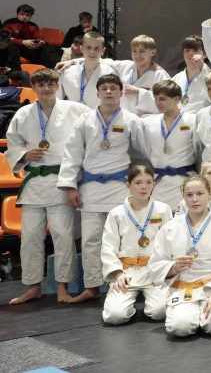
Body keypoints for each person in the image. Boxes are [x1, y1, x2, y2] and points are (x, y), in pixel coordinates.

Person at [57, 73, 145, 303]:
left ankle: (126, 284)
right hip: (91, 188)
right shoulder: (84, 121)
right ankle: (92, 286)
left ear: (120, 92)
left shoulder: (131, 120)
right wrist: (70, 186)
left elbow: (143, 153)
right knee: (91, 239)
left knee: (124, 238)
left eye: (113, 88)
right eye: (104, 88)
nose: (108, 92)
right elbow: (72, 154)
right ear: (97, 93)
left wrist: (142, 183)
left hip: (120, 187)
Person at [5, 68, 90, 304]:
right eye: (41, 84)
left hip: (61, 181)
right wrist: (24, 154)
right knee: (30, 237)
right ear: (33, 87)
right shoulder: (23, 114)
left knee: (63, 236)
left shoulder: (76, 110)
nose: (46, 88)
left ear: (57, 85)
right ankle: (33, 286)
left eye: (51, 84)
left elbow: (92, 131)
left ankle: (63, 286)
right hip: (34, 183)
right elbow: (13, 143)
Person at [148, 175, 211, 336]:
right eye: (189, 195)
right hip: (184, 287)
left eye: (200, 194)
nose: (194, 199)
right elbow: (155, 264)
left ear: (209, 194)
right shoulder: (170, 227)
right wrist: (173, 267)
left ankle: (209, 309)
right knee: (180, 328)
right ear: (183, 196)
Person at [100, 164, 172, 324]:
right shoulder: (117, 213)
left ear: (154, 184)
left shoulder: (163, 210)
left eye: (148, 182)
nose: (144, 187)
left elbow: (169, 245)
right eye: (138, 182)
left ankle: (150, 305)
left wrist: (163, 272)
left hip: (154, 271)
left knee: (160, 312)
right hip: (126, 272)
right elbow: (108, 247)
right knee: (115, 316)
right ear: (128, 185)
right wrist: (117, 274)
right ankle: (127, 308)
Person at [137, 80, 196, 205]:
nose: (158, 103)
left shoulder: (193, 120)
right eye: (156, 98)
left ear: (176, 99)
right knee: (159, 215)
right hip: (159, 182)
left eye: (162, 99)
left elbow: (199, 150)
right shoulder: (148, 122)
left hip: (185, 180)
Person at [58, 31, 117, 107]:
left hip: (99, 114)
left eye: (96, 48)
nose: (92, 52)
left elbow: (114, 103)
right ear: (81, 48)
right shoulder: (67, 72)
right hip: (72, 114)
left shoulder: (110, 73)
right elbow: (58, 100)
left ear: (103, 50)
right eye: (88, 47)